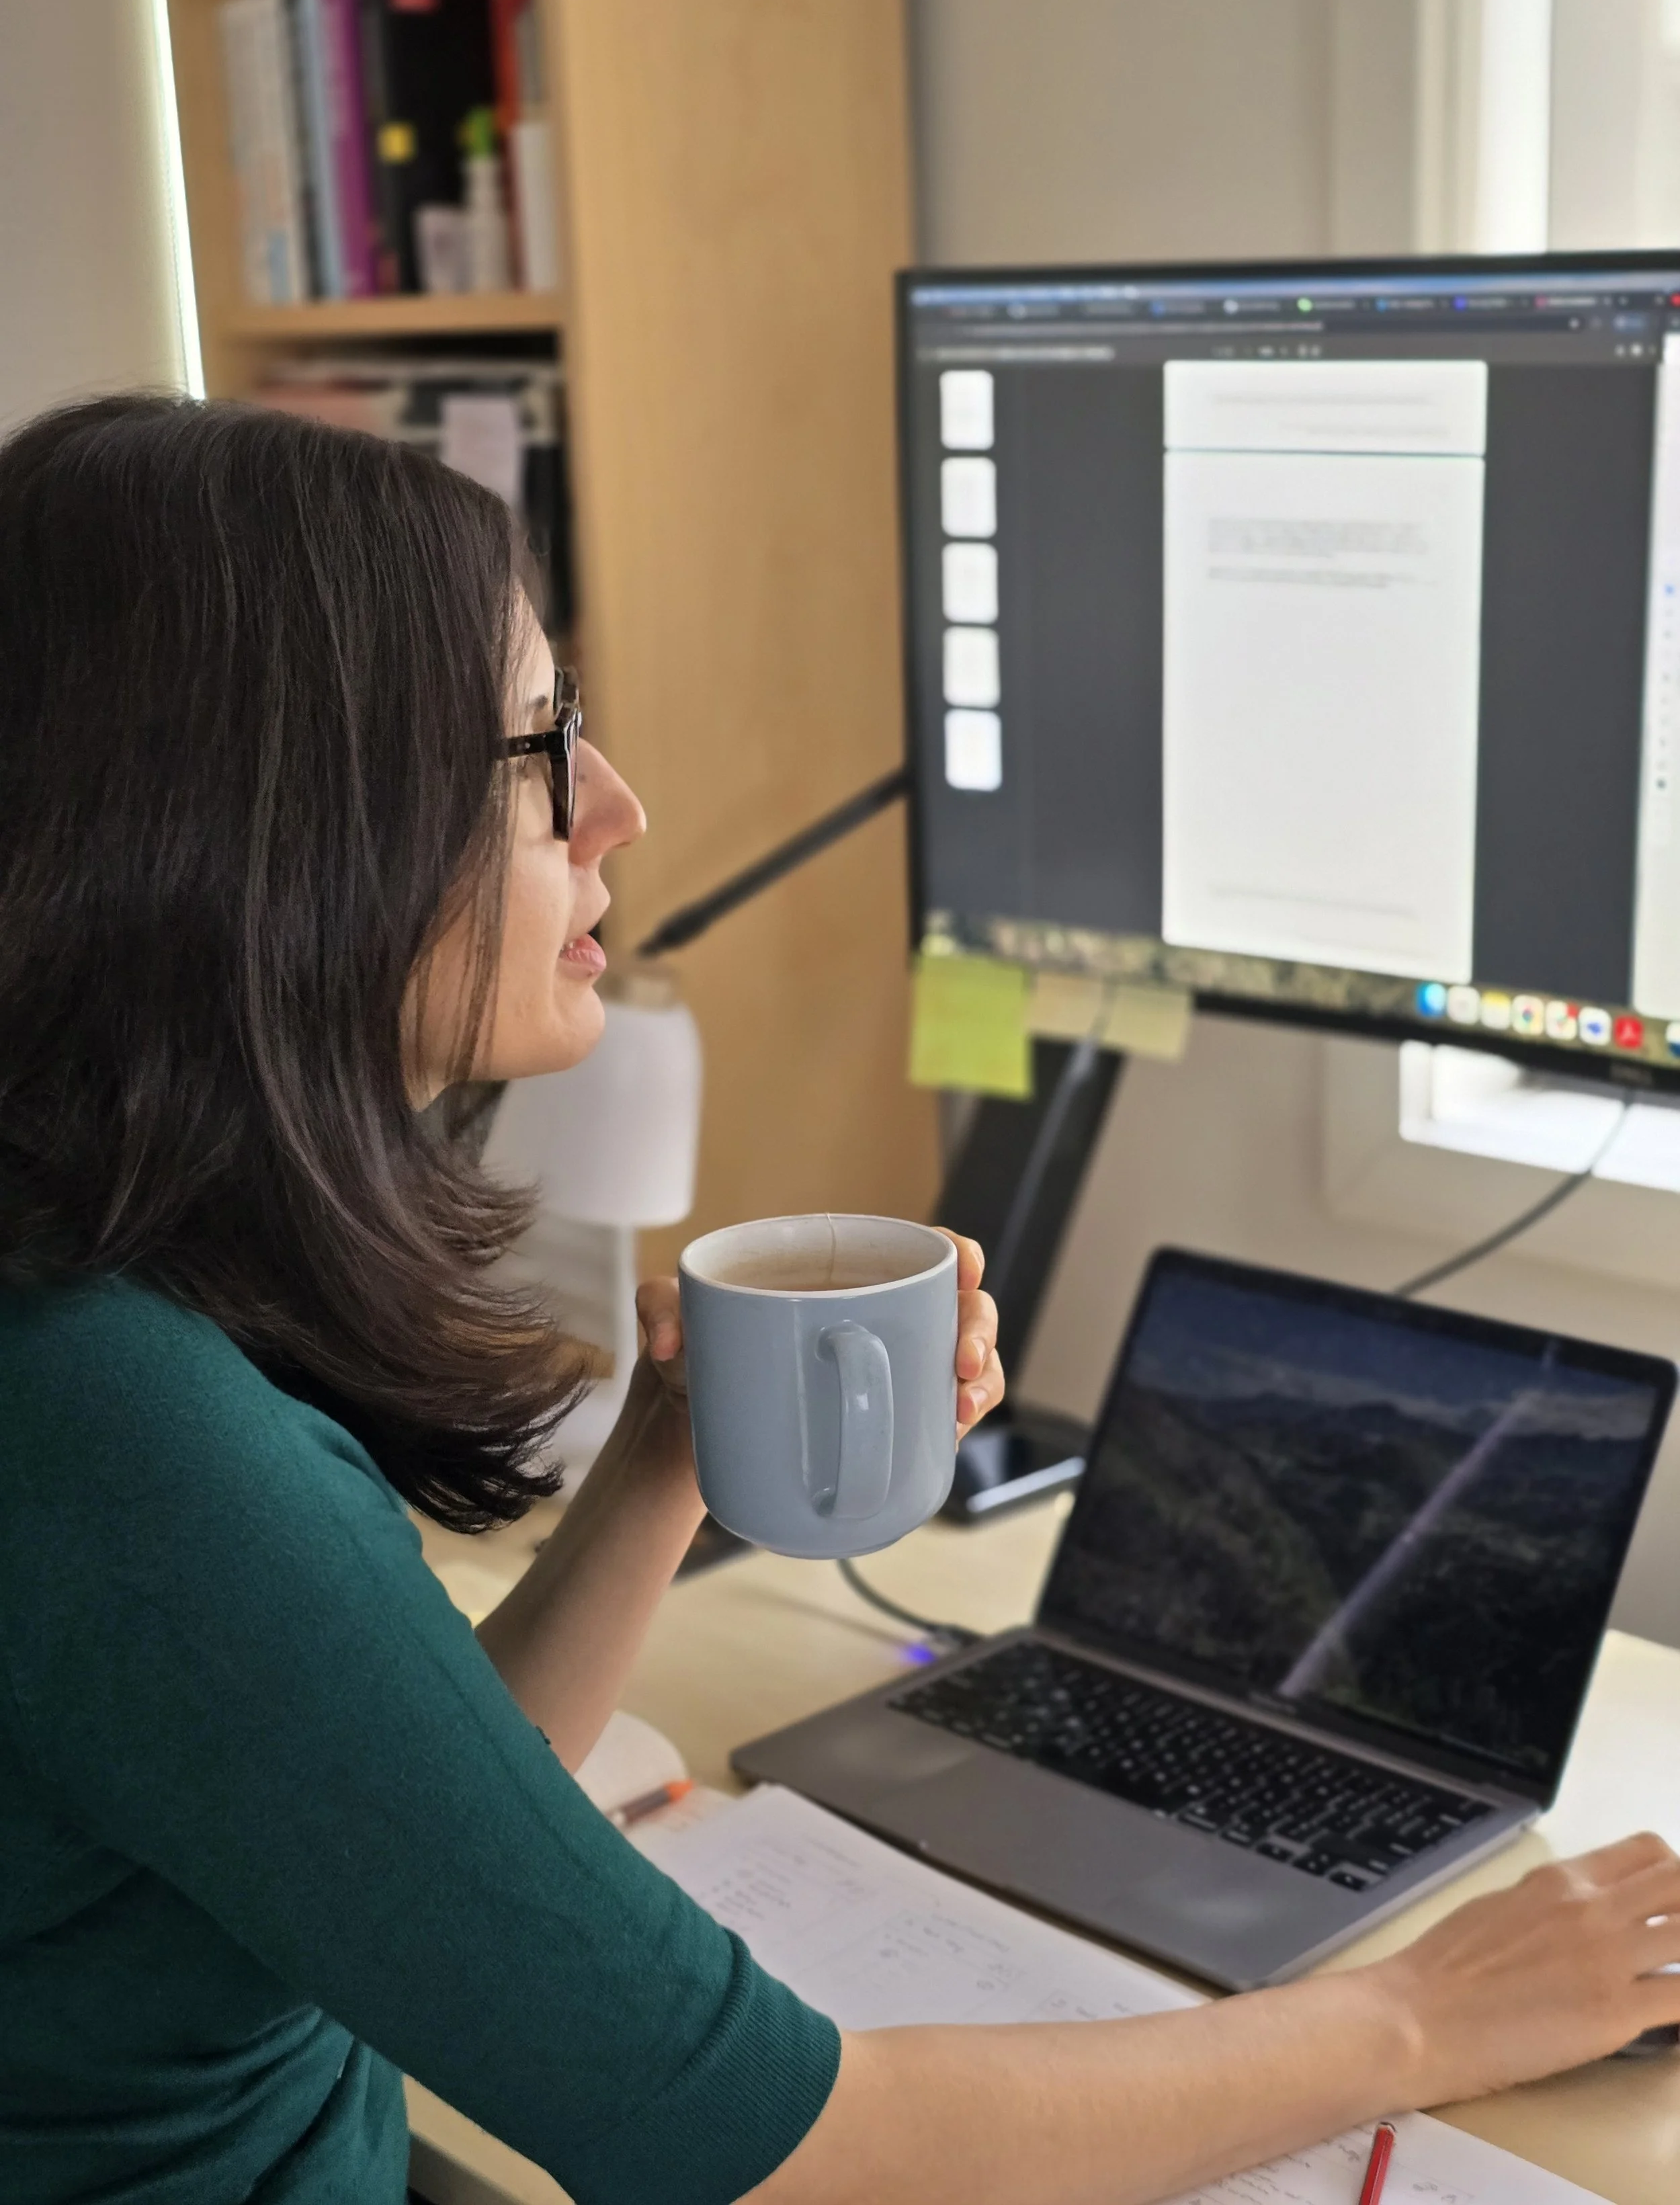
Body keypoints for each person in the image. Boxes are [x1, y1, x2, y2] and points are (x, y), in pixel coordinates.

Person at [0, 395, 1675, 2205]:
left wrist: (667, 1461)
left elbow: (387, 1819)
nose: (619, 805)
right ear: (293, 834)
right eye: (545, 739)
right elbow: (786, 2148)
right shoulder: (141, 1451)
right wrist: (1424, 2015)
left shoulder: (91, 1315)